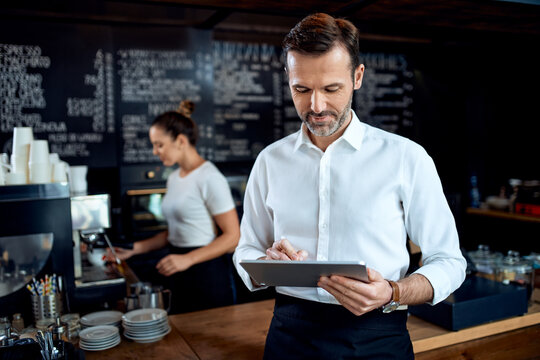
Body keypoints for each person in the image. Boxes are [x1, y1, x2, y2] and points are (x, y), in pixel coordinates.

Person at [233, 13, 466, 360]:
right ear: (288, 80)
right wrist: (267, 263)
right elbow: (245, 251)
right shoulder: (269, 161)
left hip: (377, 335)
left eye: (331, 89)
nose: (316, 106)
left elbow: (449, 262)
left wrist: (393, 291)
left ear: (357, 77)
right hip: (288, 335)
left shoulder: (406, 157)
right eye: (302, 89)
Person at [112, 107, 240, 313]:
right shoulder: (174, 177)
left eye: (159, 145)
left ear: (181, 141)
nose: (155, 151)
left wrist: (187, 260)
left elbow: (233, 237)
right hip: (178, 268)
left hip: (206, 272)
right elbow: (175, 231)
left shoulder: (210, 177)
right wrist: (134, 249)